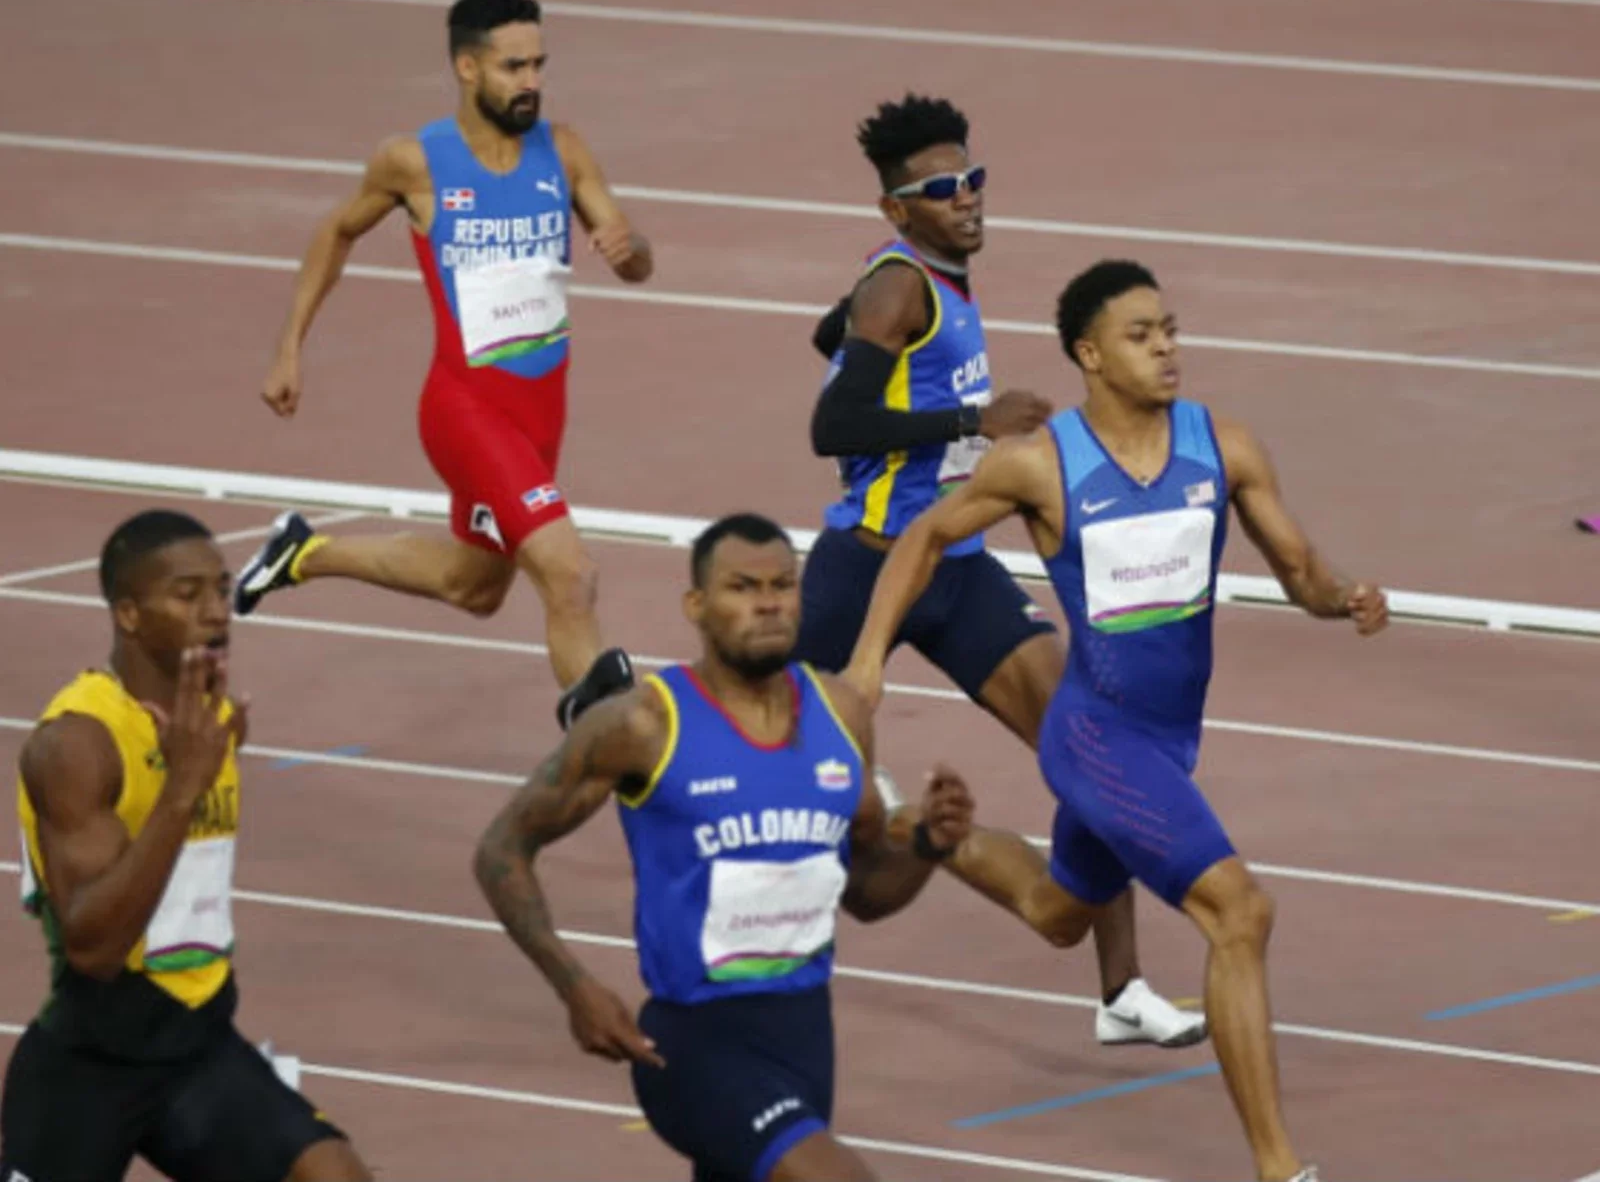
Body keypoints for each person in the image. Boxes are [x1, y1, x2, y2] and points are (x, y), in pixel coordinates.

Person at [845, 259, 1390, 1182]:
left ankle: (925, 835)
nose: (1167, 347)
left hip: (1169, 741)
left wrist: (1343, 597)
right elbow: (926, 534)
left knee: (1061, 912)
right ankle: (1280, 1170)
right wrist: (865, 665)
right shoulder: (1043, 464)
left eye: (1170, 329)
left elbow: (1298, 569)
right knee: (1239, 913)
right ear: (1090, 356)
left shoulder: (1225, 446)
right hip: (1093, 735)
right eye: (1141, 335)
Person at [799, 93, 1203, 1049]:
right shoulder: (900, 287)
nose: (969, 199)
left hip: (958, 567)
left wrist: (865, 345)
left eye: (975, 180)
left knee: (1093, 750)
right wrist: (968, 423)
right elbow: (832, 426)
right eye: (943, 190)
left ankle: (1122, 994)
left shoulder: (927, 280)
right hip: (863, 572)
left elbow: (839, 345)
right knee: (809, 794)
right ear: (899, 210)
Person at [472, 513, 976, 1182]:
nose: (769, 603)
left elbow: (866, 896)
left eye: (783, 585)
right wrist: (575, 987)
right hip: (693, 1043)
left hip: (804, 1035)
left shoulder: (842, 717)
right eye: (743, 587)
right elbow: (501, 850)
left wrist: (927, 848)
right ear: (697, 606)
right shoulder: (642, 725)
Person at [235, 0, 648, 727]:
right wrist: (289, 346)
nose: (532, 82)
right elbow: (336, 232)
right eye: (514, 66)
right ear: (467, 68)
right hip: (465, 409)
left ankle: (302, 553)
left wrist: (630, 250)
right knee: (570, 574)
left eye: (538, 65)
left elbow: (635, 257)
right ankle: (609, 741)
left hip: (542, 416)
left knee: (475, 586)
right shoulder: (414, 163)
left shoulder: (566, 150)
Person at [0, 510, 373, 1182]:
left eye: (222, 590)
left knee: (334, 1175)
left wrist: (198, 764)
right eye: (187, 593)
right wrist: (183, 789)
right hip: (91, 1060)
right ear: (129, 614)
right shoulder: (76, 743)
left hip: (197, 1047)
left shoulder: (210, 717)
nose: (215, 611)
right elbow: (92, 947)